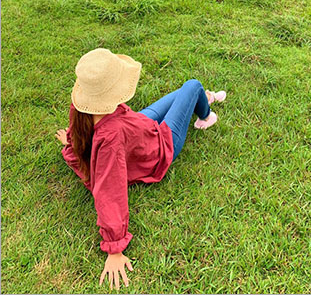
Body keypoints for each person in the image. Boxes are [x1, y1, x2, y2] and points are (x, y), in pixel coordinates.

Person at [54, 48, 226, 289]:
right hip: (159, 147)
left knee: (185, 93)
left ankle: (201, 98)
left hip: (138, 125)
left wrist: (71, 145)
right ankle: (205, 116)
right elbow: (109, 191)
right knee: (192, 84)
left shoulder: (82, 108)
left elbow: (81, 138)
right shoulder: (111, 139)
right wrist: (114, 248)